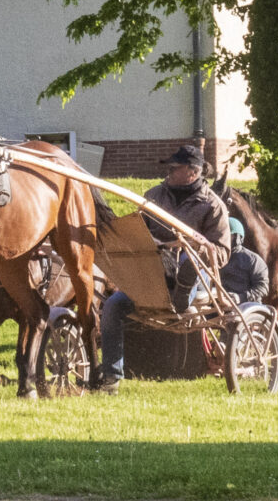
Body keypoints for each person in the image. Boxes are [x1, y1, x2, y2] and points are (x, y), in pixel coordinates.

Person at [94, 145, 229, 391]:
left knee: (189, 262)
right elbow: (138, 232)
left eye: (175, 167)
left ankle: (180, 297)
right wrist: (155, 244)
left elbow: (221, 252)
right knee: (113, 305)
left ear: (193, 171)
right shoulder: (153, 196)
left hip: (196, 277)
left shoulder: (213, 205)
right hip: (152, 277)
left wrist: (191, 248)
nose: (169, 171)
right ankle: (111, 378)